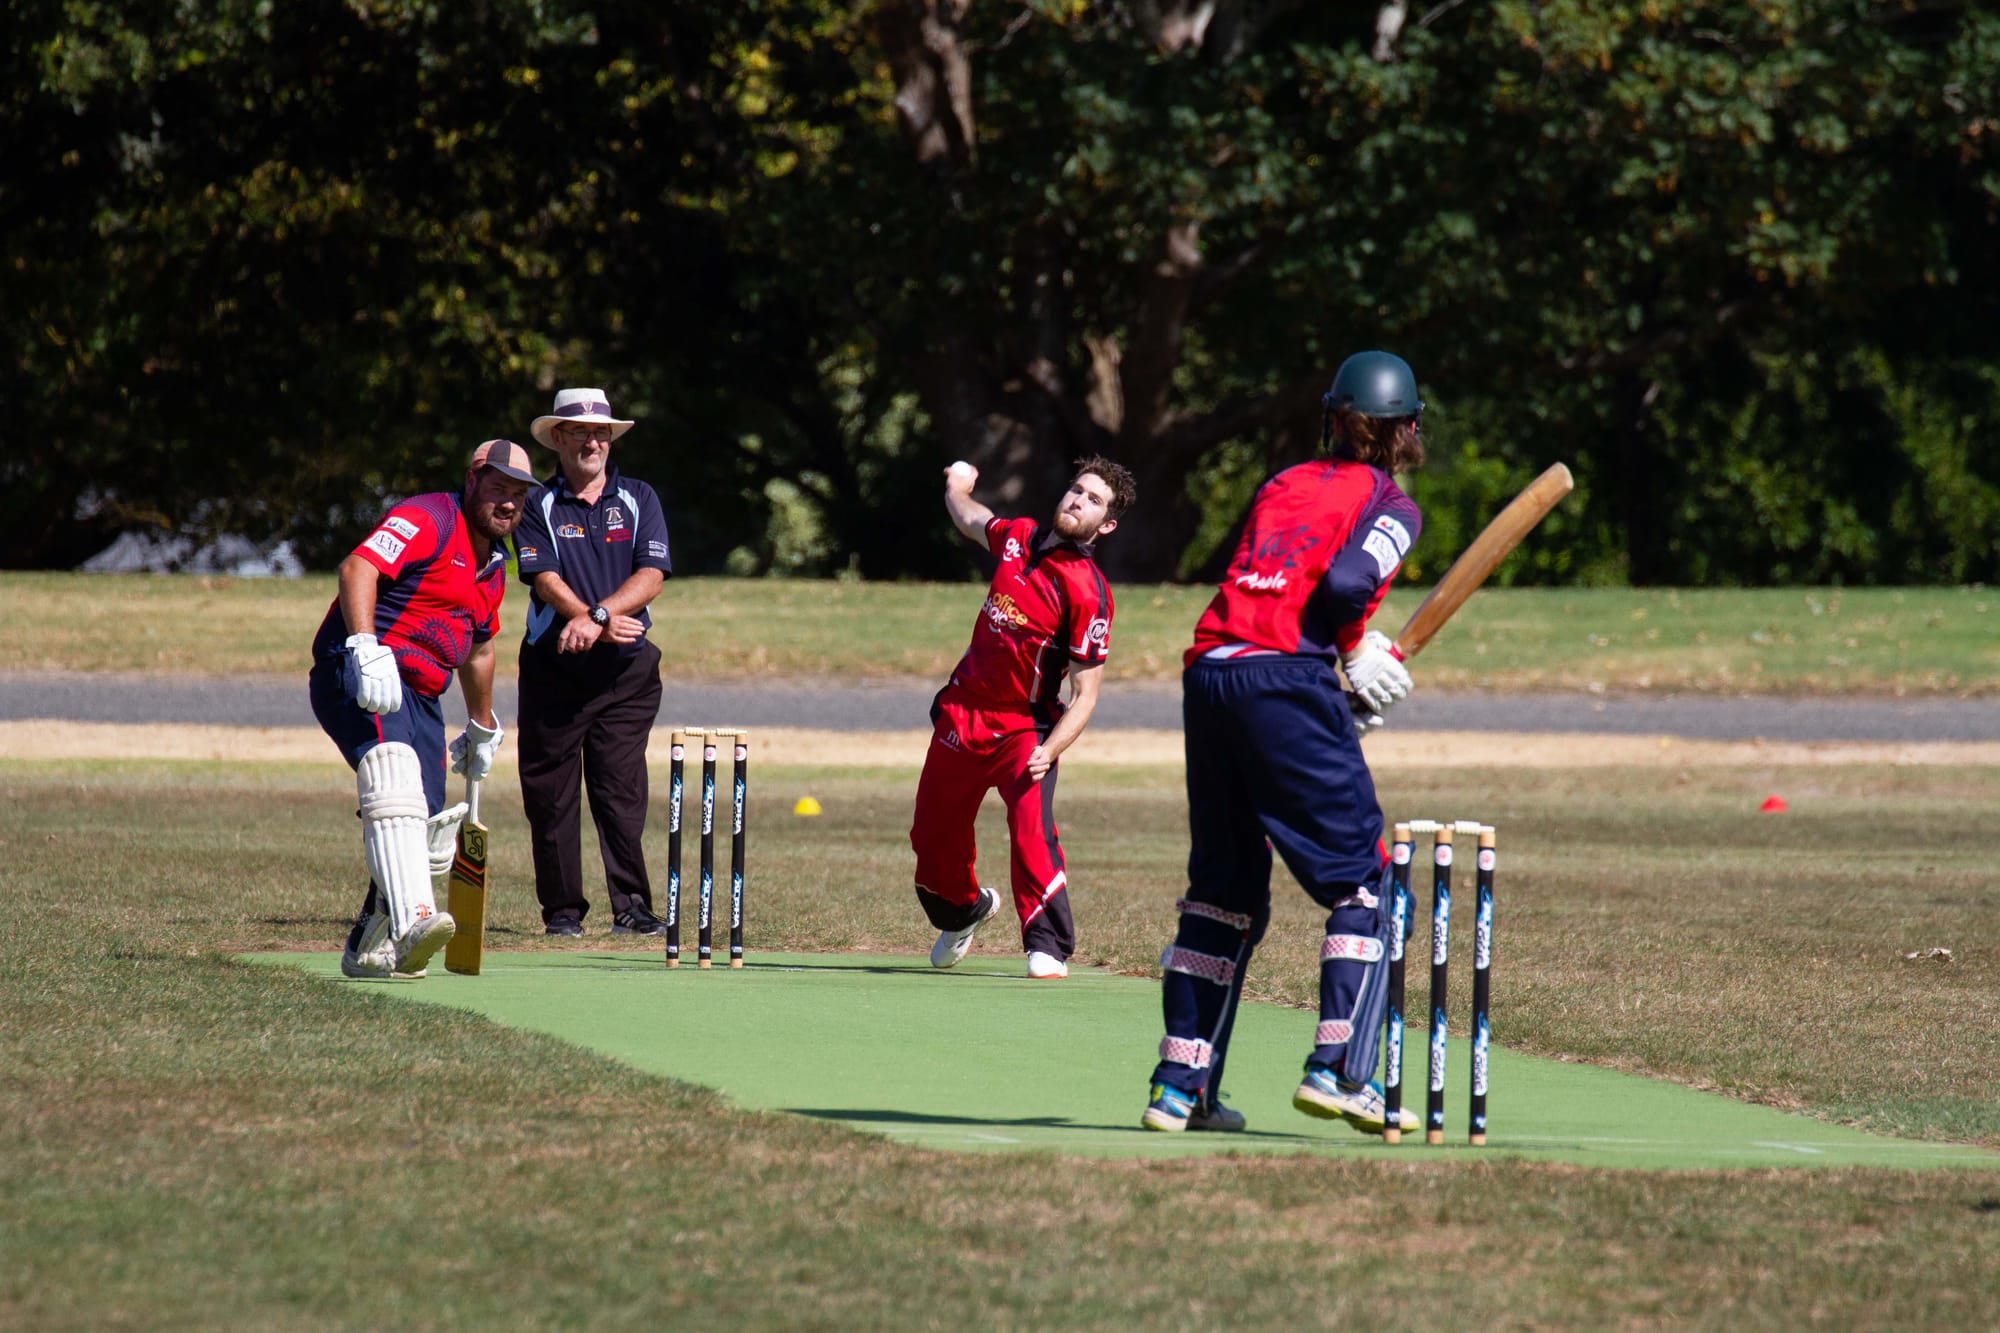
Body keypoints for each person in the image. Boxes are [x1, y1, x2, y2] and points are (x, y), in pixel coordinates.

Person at [1140, 350, 1428, 1135]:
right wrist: (1352, 653)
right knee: (1366, 884)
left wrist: (1333, 688)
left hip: (1214, 673)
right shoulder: (1394, 506)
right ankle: (1338, 1070)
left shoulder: (1281, 482)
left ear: (1332, 418)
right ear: (1408, 429)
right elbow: (1339, 588)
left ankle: (1179, 1087)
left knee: (1223, 893)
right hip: (1286, 680)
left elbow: (1270, 583)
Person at [310, 439, 536, 980]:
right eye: (499, 488)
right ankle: (415, 920)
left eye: (519, 496)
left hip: (422, 694)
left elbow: (478, 648)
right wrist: (365, 645)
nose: (507, 503)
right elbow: (359, 568)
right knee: (396, 778)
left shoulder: (494, 569)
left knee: (432, 828)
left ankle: (370, 943)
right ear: (472, 480)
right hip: (363, 669)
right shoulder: (429, 516)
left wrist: (482, 725)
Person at [911, 455, 1137, 979]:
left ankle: (1047, 944)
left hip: (1024, 729)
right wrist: (957, 485)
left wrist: (1050, 749)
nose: (1078, 500)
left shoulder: (1089, 592)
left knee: (1031, 830)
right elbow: (971, 518)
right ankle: (964, 910)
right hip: (962, 713)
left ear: (1106, 525)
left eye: (1093, 500)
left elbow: (1085, 695)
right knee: (932, 836)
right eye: (1076, 489)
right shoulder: (1019, 537)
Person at [512, 387, 673, 937]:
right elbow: (543, 576)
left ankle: (631, 908)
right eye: (579, 432)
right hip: (553, 668)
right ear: (557, 438)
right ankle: (561, 913)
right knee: (551, 794)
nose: (592, 442)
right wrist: (584, 617)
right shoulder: (537, 504)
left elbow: (651, 575)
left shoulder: (639, 498)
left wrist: (598, 618)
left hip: (625, 672)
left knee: (620, 788)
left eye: (600, 432)